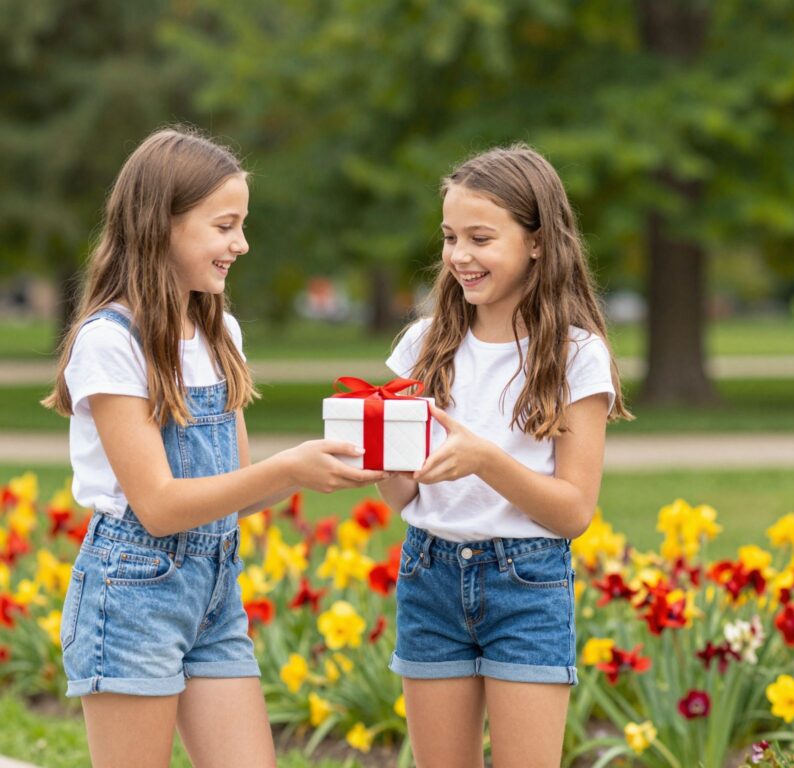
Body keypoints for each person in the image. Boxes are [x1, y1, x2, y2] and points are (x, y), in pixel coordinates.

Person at [42, 126, 387, 767]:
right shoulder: (110, 341)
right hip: (132, 591)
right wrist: (291, 468)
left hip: (213, 594)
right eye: (225, 225)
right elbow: (160, 506)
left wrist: (319, 465)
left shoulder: (217, 330)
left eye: (242, 225)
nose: (242, 243)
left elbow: (237, 487)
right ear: (160, 224)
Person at [376, 144, 632, 768]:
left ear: (538, 242)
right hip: (428, 574)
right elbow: (401, 495)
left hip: (527, 581)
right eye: (449, 237)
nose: (459, 255)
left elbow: (573, 512)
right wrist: (386, 462)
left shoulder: (577, 355)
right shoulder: (423, 343)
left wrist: (483, 459)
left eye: (480, 238)